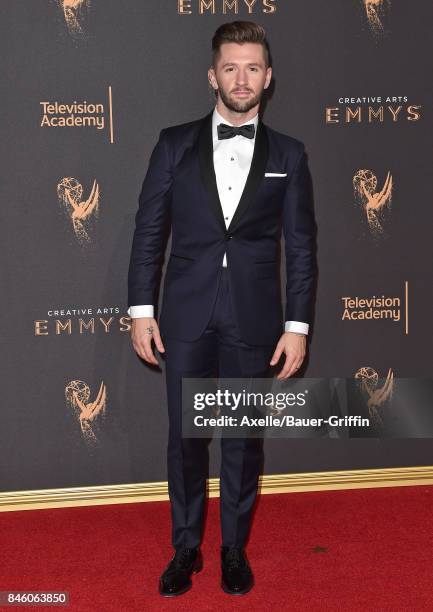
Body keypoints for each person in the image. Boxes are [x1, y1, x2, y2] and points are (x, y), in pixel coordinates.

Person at [127, 20, 317, 597]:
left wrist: (297, 325)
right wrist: (140, 308)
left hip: (255, 319)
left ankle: (234, 548)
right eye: (231, 67)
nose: (242, 78)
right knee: (185, 438)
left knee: (241, 438)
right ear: (213, 75)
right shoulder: (173, 144)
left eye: (253, 67)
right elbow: (149, 233)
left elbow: (301, 246)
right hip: (184, 312)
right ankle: (186, 547)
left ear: (269, 77)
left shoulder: (290, 153)